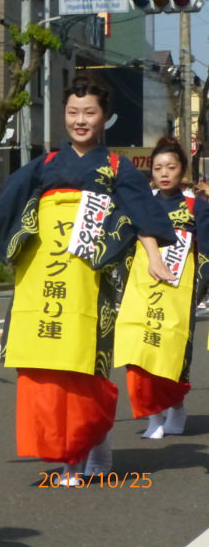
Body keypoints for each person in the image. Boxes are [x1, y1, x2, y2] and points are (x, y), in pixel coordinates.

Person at [0, 74, 176, 485]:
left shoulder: (117, 167)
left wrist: (154, 256)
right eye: (72, 113)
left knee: (85, 369)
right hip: (43, 277)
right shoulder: (45, 165)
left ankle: (94, 443)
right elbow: (6, 203)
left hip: (89, 282)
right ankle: (68, 454)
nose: (79, 121)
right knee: (45, 367)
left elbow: (141, 214)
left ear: (105, 118)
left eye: (89, 113)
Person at [114, 137, 208, 439]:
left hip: (179, 295)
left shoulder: (196, 205)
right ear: (151, 172)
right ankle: (153, 417)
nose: (164, 173)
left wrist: (201, 287)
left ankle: (176, 404)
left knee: (173, 356)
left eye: (171, 167)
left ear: (182, 170)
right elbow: (125, 243)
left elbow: (205, 250)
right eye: (158, 168)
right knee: (138, 354)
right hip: (143, 290)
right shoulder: (142, 204)